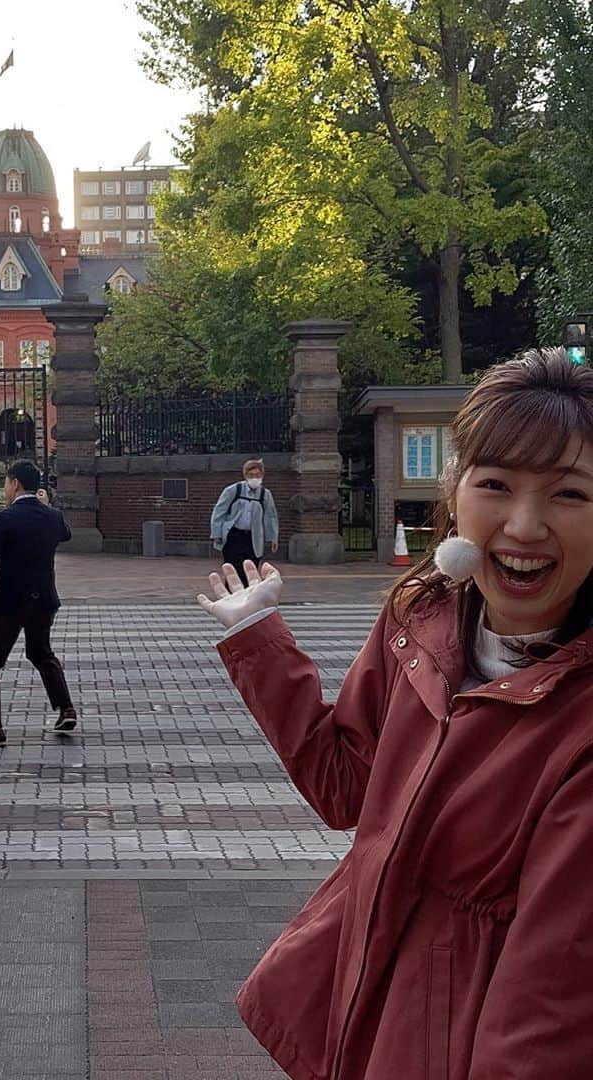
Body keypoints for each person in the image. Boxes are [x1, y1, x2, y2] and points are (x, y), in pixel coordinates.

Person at [196, 348, 593, 1079]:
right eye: (496, 484)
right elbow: (345, 786)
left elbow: (546, 1018)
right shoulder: (424, 618)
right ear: (457, 491)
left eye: (570, 495)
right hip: (369, 1003)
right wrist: (259, 641)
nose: (526, 524)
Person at [0, 460, 77, 745]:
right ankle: (66, 709)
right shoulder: (53, 516)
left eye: (5, 482)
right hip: (45, 600)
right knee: (41, 654)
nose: (4, 488)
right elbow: (66, 534)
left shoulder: (4, 519)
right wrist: (47, 505)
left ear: (15, 483)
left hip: (11, 602)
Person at [210, 458, 279, 587]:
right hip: (234, 536)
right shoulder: (233, 490)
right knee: (233, 571)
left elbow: (270, 516)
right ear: (245, 475)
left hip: (253, 537)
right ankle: (231, 597)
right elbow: (219, 511)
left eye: (258, 475)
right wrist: (217, 534)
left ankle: (247, 599)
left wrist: (272, 537)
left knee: (250, 570)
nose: (255, 478)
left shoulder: (265, 495)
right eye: (251, 475)